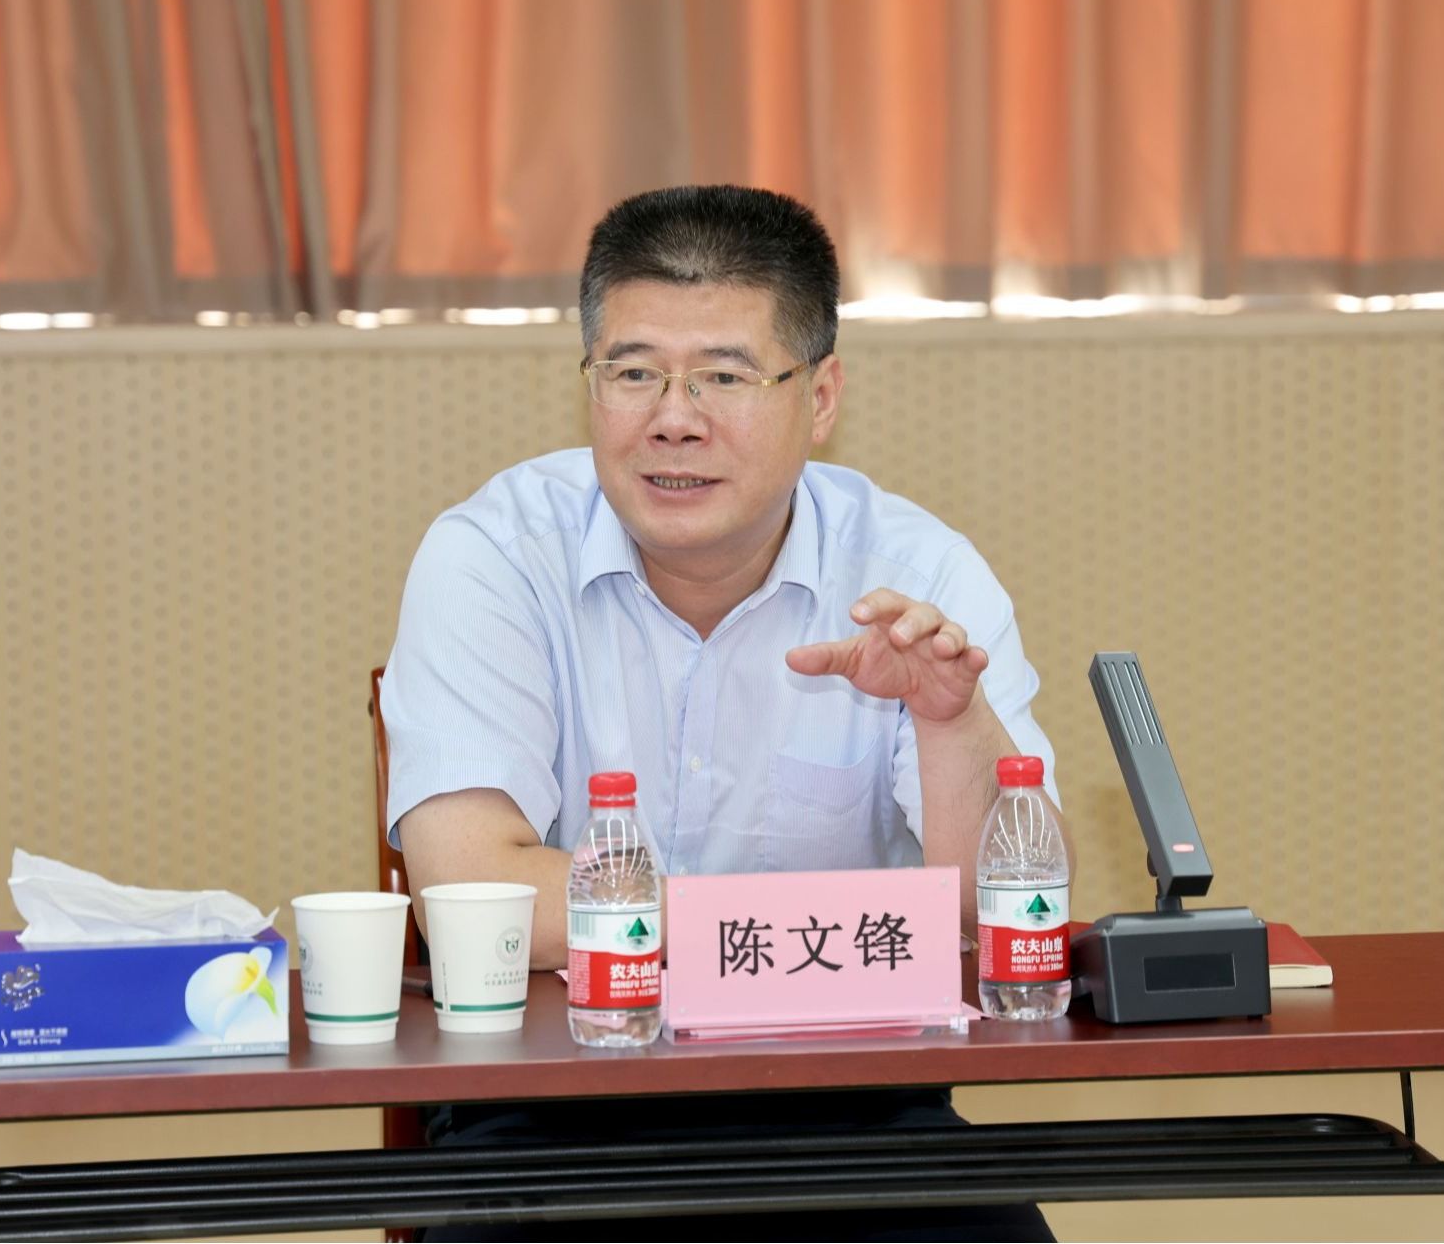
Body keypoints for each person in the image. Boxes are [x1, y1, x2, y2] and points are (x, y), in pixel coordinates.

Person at [382, 184, 1060, 1242]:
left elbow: (1006, 915)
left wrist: (949, 724)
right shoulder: (493, 557)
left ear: (820, 396)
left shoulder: (917, 572)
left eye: (725, 377)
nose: (673, 418)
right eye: (633, 372)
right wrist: (802, 937)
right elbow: (472, 892)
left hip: (856, 1106)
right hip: (550, 1103)